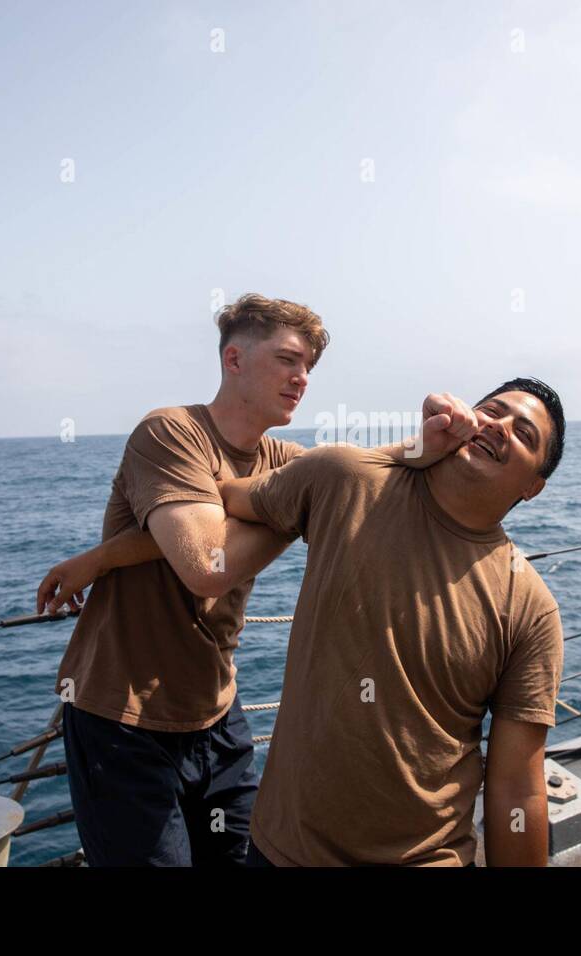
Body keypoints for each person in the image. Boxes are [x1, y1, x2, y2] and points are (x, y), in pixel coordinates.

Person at [37, 292, 479, 866]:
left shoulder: (286, 460)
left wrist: (430, 443)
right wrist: (299, 508)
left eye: (309, 368)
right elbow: (205, 568)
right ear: (234, 359)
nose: (302, 378)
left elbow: (362, 472)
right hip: (123, 721)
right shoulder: (171, 433)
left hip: (217, 712)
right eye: (288, 360)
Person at [217, 378, 566, 866]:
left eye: (524, 433)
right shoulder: (346, 478)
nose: (499, 426)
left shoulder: (529, 606)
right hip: (281, 851)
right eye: (491, 410)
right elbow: (230, 497)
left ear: (533, 487)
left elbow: (516, 786)